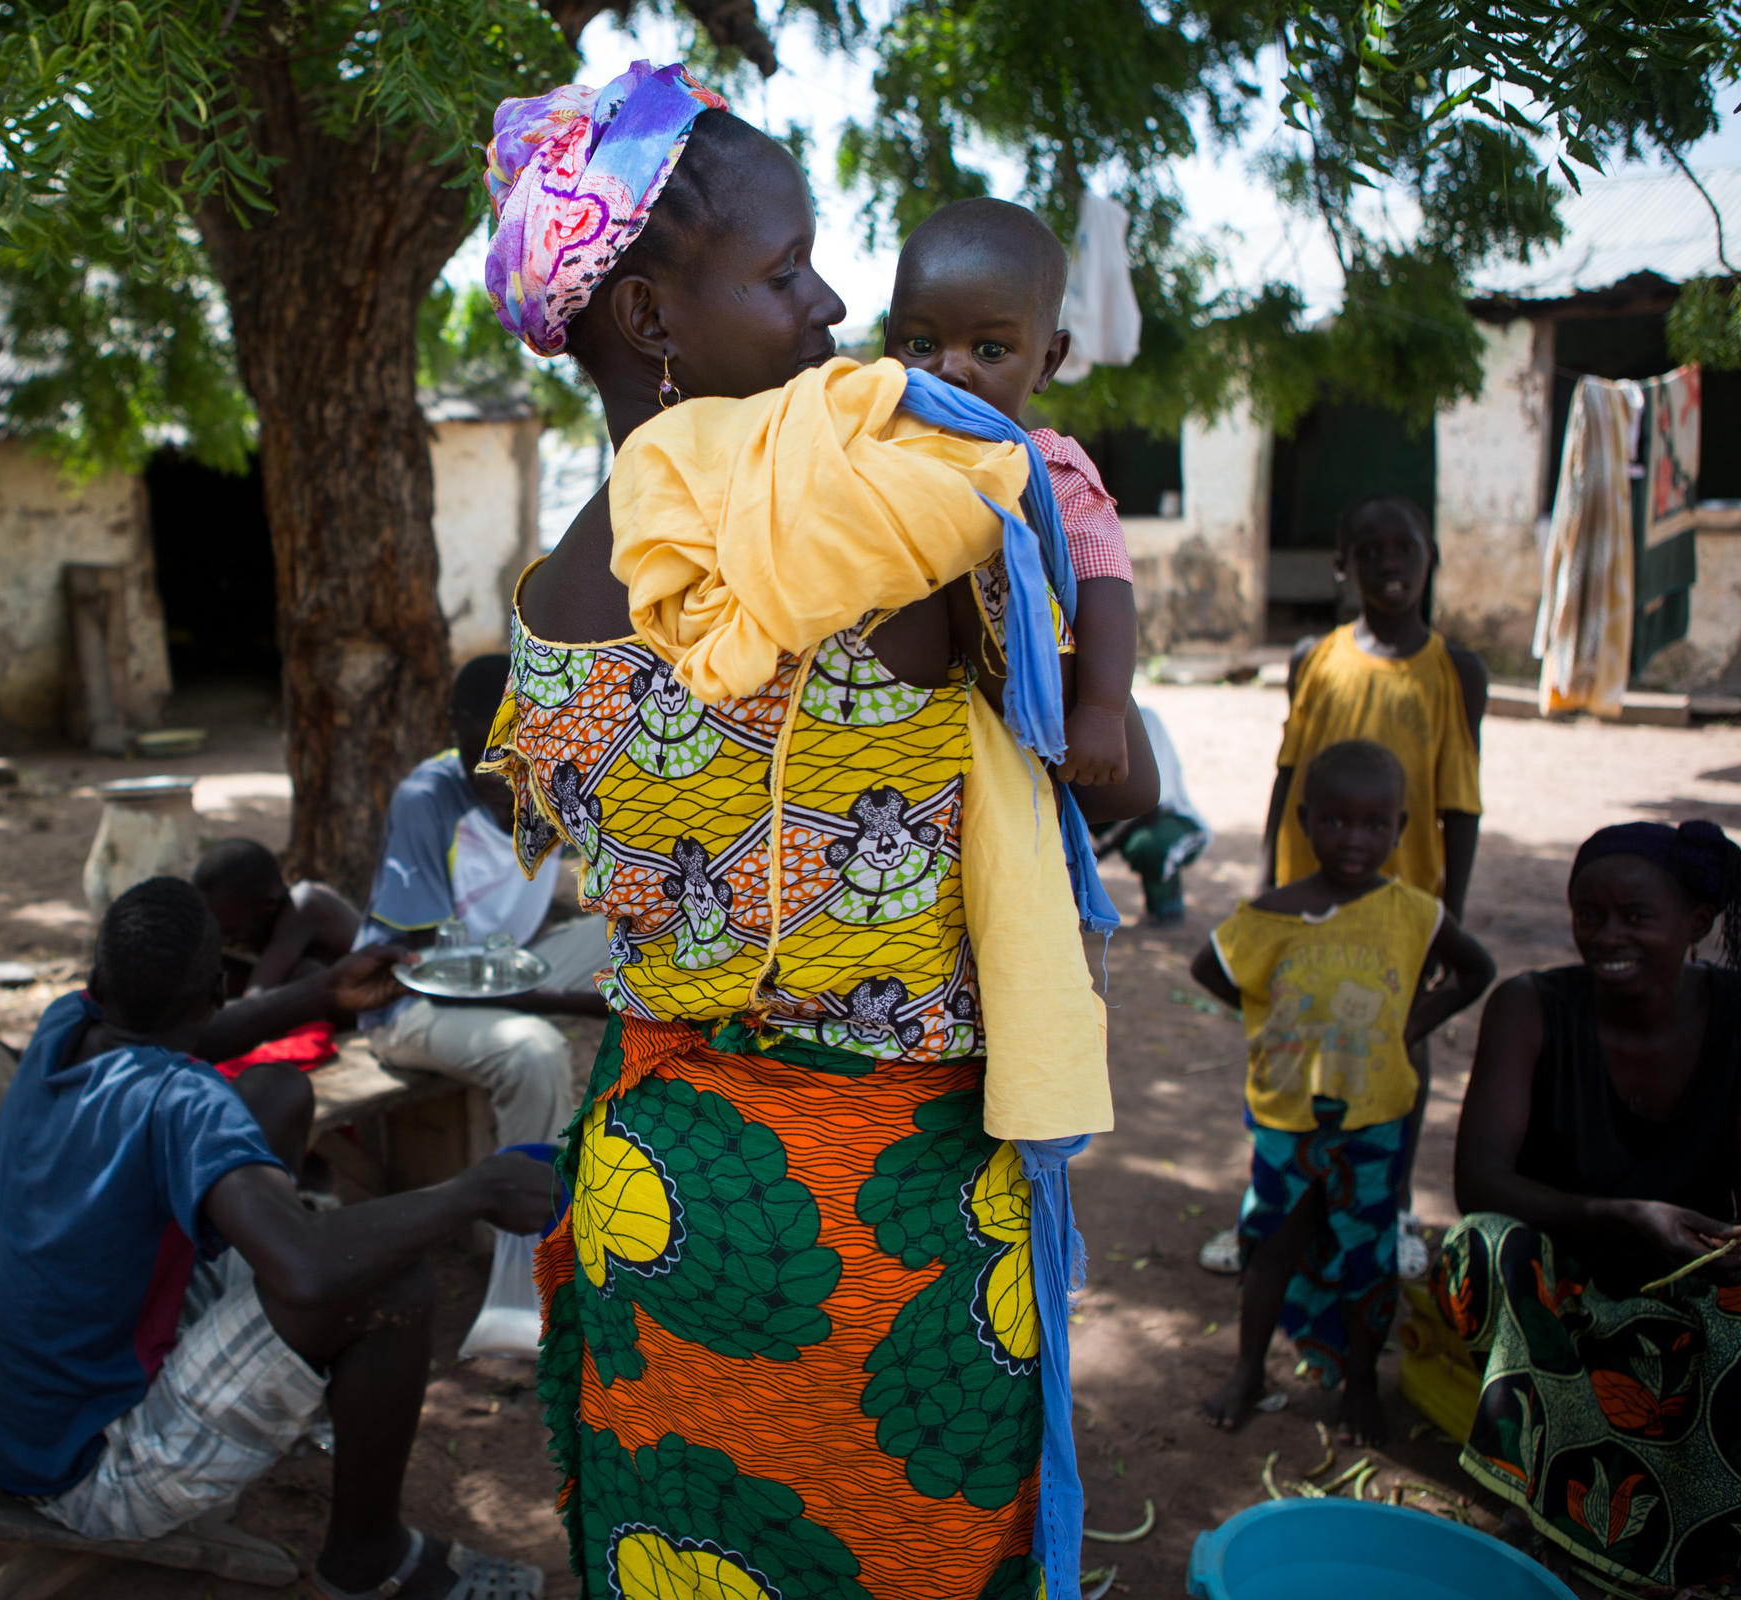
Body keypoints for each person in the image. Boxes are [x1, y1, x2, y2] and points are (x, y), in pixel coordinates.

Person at [481, 63, 1151, 1600]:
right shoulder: (890, 530)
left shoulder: (545, 617)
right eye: (784, 272)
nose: (838, 304)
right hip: (894, 1225)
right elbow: (1108, 773)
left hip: (669, 1194)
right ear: (650, 318)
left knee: (693, 1561)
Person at [0, 877, 555, 1600]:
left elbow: (190, 1034)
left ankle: (297, 1399)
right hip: (87, 1475)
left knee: (276, 1094)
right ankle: (366, 1559)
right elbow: (307, 1271)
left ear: (98, 978)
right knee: (383, 1282)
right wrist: (474, 1191)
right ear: (214, 987)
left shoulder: (63, 1025)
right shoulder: (183, 1100)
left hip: (5, 1425)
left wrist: (324, 992)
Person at [1443, 819, 1741, 1592]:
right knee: (1480, 1246)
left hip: (1696, 1285)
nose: (1607, 936)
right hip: (1566, 1278)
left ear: (1698, 926)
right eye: (1589, 915)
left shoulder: (1736, 1014)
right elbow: (1480, 1182)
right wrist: (1624, 1216)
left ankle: (1698, 1537)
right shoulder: (1530, 1007)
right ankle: (1532, 1493)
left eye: (1637, 917)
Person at [1203, 493, 1487, 1279]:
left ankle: (1388, 1208)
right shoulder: (1313, 659)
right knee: (1291, 1051)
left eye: (1406, 550)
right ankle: (1274, 1209)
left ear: (1431, 557)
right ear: (1343, 566)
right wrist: (1264, 886)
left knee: (1399, 1052)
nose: (1390, 565)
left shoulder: (1455, 671)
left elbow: (1460, 803)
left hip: (1400, 905)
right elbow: (1288, 775)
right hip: (1307, 900)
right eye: (1370, 552)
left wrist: (1446, 919)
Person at [1191, 741, 1493, 1445]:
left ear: (1401, 829)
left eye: (1373, 824)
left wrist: (1416, 1020)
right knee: (1270, 1245)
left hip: (1376, 1119)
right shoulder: (1271, 915)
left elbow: (1476, 970)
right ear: (1303, 820)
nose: (1353, 839)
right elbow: (1210, 966)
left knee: (1369, 1254)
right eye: (1334, 822)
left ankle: (1361, 1386)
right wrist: (1270, 1020)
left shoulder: (1416, 913)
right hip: (1286, 1118)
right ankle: (1248, 1371)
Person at [882, 197, 1138, 788]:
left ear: (1047, 362)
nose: (950, 370)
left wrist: (1102, 710)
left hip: (1022, 734)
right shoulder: (871, 447)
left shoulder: (1049, 468)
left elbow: (1105, 585)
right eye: (920, 345)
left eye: (990, 351)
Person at [358, 655, 609, 1150]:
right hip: (411, 1003)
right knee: (535, 1053)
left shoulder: (555, 785)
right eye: (481, 754)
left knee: (652, 940)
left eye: (514, 759)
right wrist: (577, 1003)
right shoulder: (426, 801)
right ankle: (534, 1223)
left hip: (506, 969)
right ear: (454, 729)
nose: (497, 775)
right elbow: (433, 973)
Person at [1091, 702, 1210, 927]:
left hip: (1168, 819)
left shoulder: (1144, 718)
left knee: (1149, 846)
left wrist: (1097, 852)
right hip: (1121, 819)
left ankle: (1167, 907)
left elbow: (1155, 803)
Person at [194, 837, 361, 995]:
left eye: (232, 934)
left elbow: (256, 999)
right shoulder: (270, 913)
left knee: (305, 972)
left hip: (372, 1010)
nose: (227, 942)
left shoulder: (305, 907)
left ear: (268, 905)